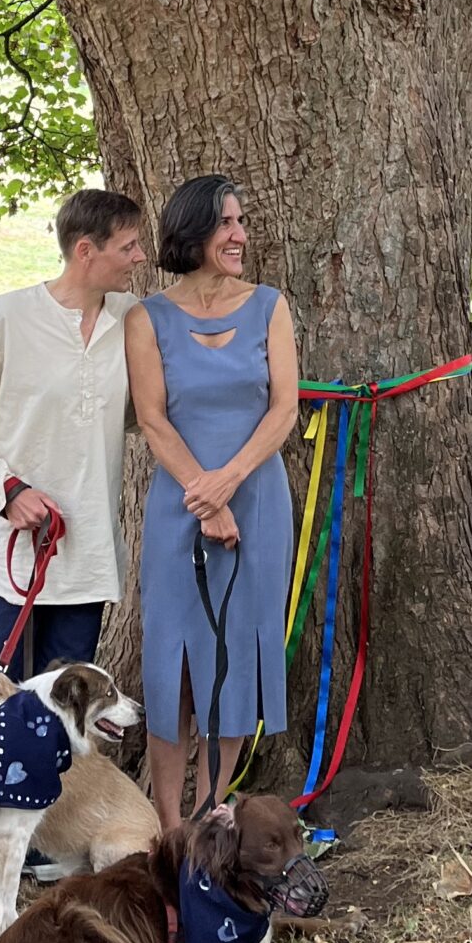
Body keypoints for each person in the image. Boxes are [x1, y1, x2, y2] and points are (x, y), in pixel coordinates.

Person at [126, 176, 299, 830]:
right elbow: (153, 418)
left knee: (238, 659)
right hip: (179, 507)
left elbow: (284, 409)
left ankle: (208, 820)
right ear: (194, 230)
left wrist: (228, 482)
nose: (239, 235)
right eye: (226, 223)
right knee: (175, 665)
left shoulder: (269, 307)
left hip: (256, 504)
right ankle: (169, 828)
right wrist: (205, 496)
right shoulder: (147, 319)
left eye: (240, 222)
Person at [0, 189, 147, 673]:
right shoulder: (9, 316)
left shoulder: (130, 318)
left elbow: (139, 413)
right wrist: (7, 490)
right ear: (85, 250)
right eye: (128, 246)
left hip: (87, 550)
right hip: (14, 549)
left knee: (64, 707)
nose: (140, 257)